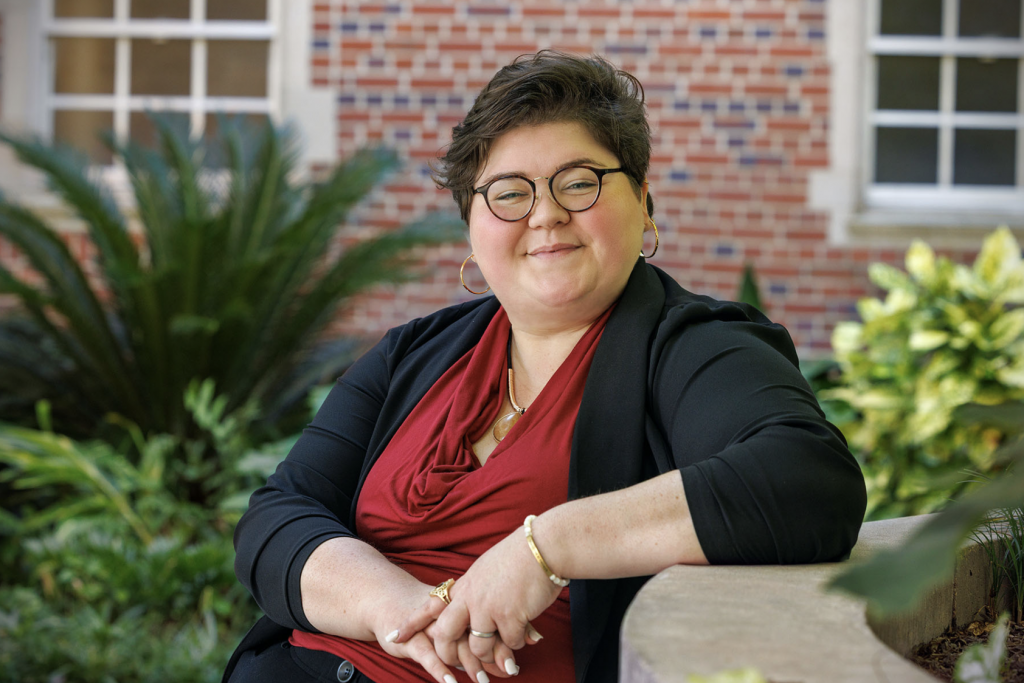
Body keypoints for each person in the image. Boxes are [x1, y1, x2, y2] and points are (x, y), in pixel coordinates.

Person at [223, 51, 866, 683]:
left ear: (643, 201)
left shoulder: (693, 345)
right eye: (508, 193)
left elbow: (809, 483)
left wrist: (545, 547)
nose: (545, 213)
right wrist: (399, 609)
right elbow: (278, 515)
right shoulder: (411, 355)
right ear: (471, 226)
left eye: (580, 181)